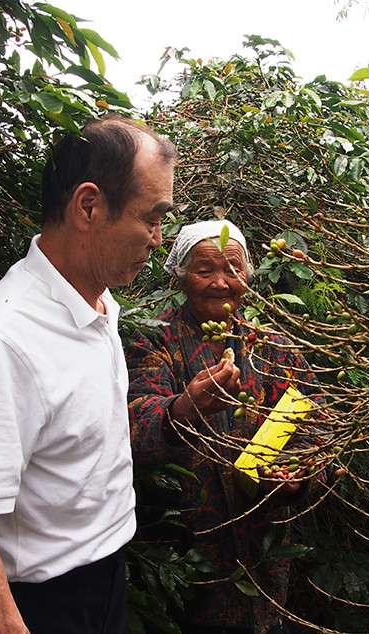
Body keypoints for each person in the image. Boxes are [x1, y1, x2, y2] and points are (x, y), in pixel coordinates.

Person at [0, 114, 177, 634]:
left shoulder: (97, 299)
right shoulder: (5, 339)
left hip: (106, 574)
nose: (158, 239)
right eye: (152, 217)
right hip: (45, 604)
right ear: (88, 206)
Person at [125, 220, 324, 634]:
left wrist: (296, 477)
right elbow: (130, 425)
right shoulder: (154, 341)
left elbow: (318, 426)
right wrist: (183, 408)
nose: (221, 282)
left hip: (263, 582)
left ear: (248, 275)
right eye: (204, 269)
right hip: (181, 576)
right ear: (181, 275)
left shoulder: (272, 348)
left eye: (232, 269)